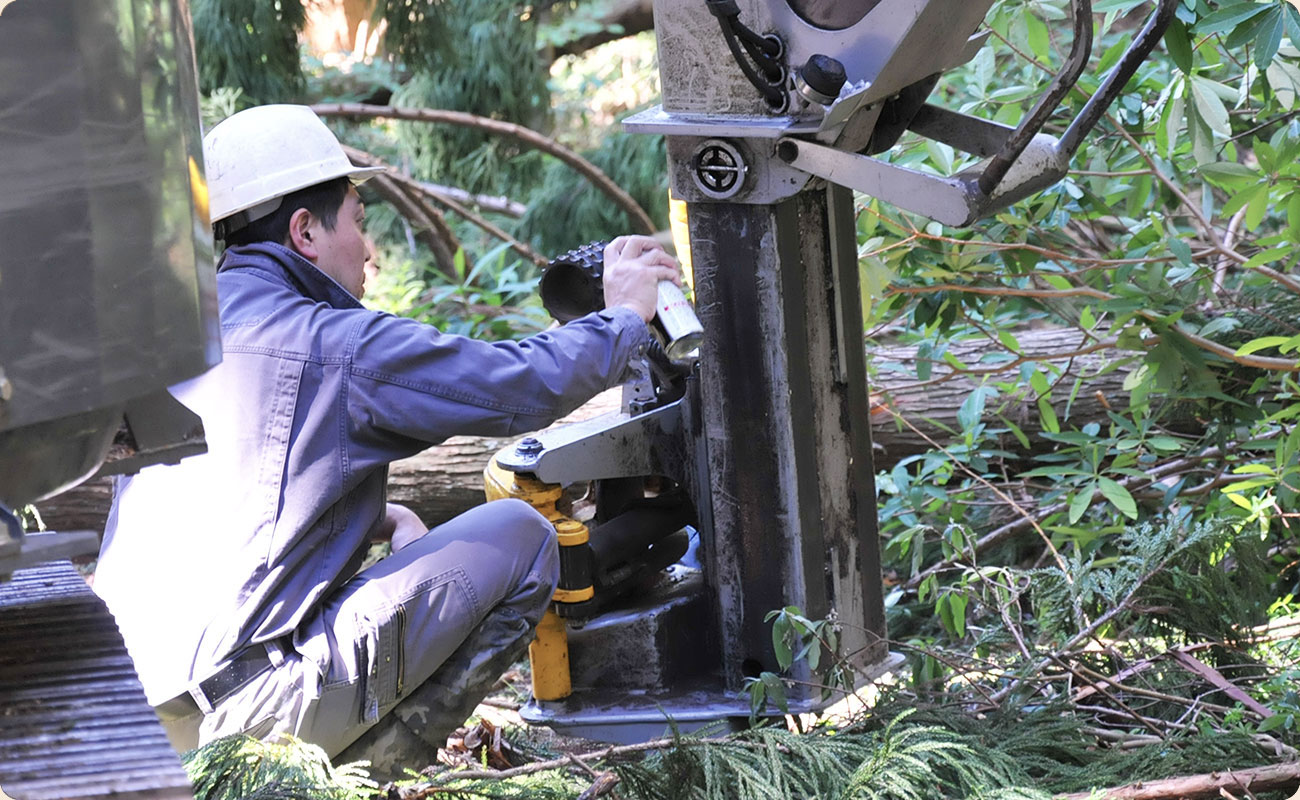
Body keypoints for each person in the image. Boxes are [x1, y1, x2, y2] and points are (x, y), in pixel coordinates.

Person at [92, 104, 681, 774]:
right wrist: (625, 314)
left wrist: (374, 515)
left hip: (125, 716)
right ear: (305, 231)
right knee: (522, 536)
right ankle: (351, 781)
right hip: (241, 719)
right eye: (359, 224)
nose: (368, 251)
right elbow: (521, 384)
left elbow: (230, 494)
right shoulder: (327, 345)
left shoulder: (182, 338)